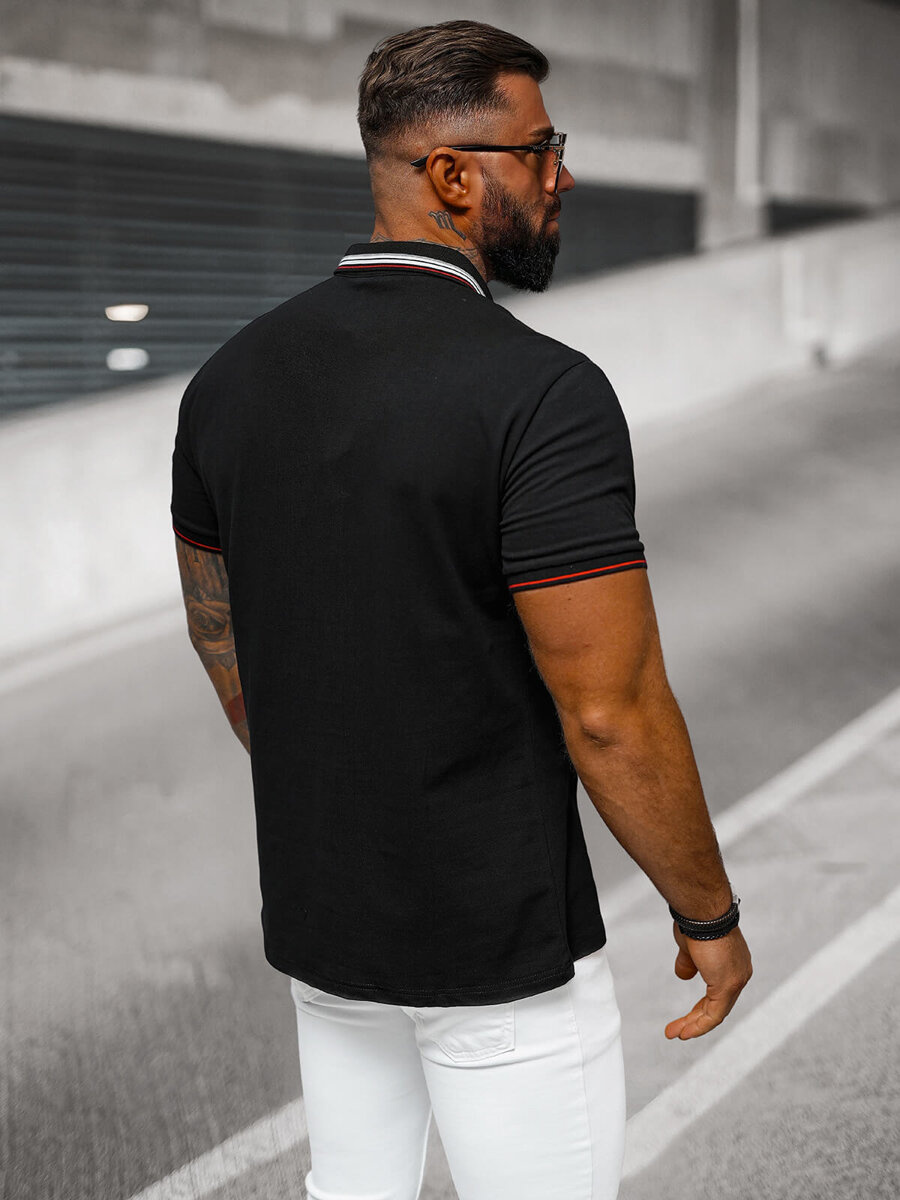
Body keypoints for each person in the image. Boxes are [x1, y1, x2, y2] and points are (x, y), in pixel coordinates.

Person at [170, 18, 753, 1200]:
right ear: (450, 174)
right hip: (502, 955)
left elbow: (220, 631)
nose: (562, 176)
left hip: (327, 931)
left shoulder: (228, 382)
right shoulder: (542, 395)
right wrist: (708, 912)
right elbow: (611, 711)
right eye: (542, 149)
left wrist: (345, 789)